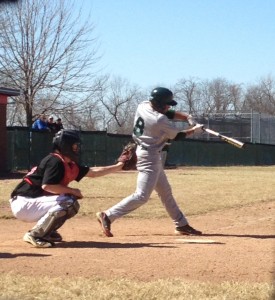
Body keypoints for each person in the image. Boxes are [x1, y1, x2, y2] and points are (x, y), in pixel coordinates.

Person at [96, 87, 204, 238]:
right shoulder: (159, 120)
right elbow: (177, 135)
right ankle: (107, 215)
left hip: (149, 152)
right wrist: (195, 129)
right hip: (149, 156)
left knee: (166, 193)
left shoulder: (144, 105)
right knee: (142, 196)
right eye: (166, 104)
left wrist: (187, 116)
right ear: (159, 104)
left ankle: (181, 225)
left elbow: (169, 112)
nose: (169, 107)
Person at [9, 129, 124, 248]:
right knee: (68, 201)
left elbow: (94, 172)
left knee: (70, 202)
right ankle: (35, 234)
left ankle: (47, 231)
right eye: (74, 145)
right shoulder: (55, 161)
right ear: (65, 145)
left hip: (32, 202)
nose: (76, 148)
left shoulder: (67, 163)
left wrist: (118, 166)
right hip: (24, 202)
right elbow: (47, 186)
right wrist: (73, 191)